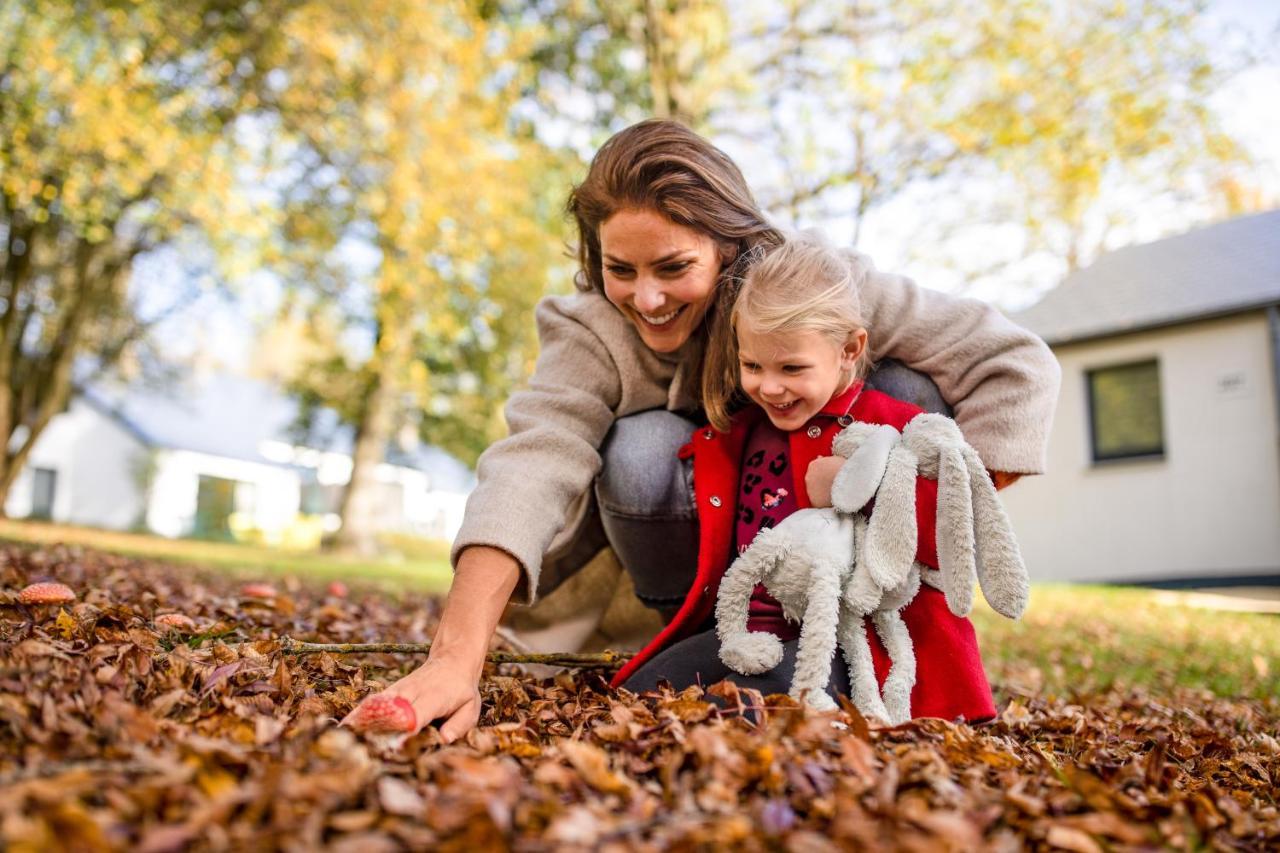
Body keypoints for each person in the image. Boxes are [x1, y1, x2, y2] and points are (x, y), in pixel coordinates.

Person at [358, 119, 1059, 741]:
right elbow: (531, 463)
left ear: (729, 246)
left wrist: (910, 508)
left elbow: (1013, 362)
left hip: (837, 560)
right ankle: (700, 639)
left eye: (674, 267)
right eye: (619, 269)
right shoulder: (591, 329)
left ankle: (870, 647)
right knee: (637, 450)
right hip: (696, 553)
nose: (648, 298)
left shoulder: (812, 284)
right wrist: (455, 657)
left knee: (910, 392)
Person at [615, 235, 999, 721]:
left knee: (752, 704)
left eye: (792, 368)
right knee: (640, 693)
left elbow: (948, 540)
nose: (769, 387)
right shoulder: (748, 430)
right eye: (752, 365)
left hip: (845, 641)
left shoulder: (888, 426)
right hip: (746, 631)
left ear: (849, 349)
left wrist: (864, 488)